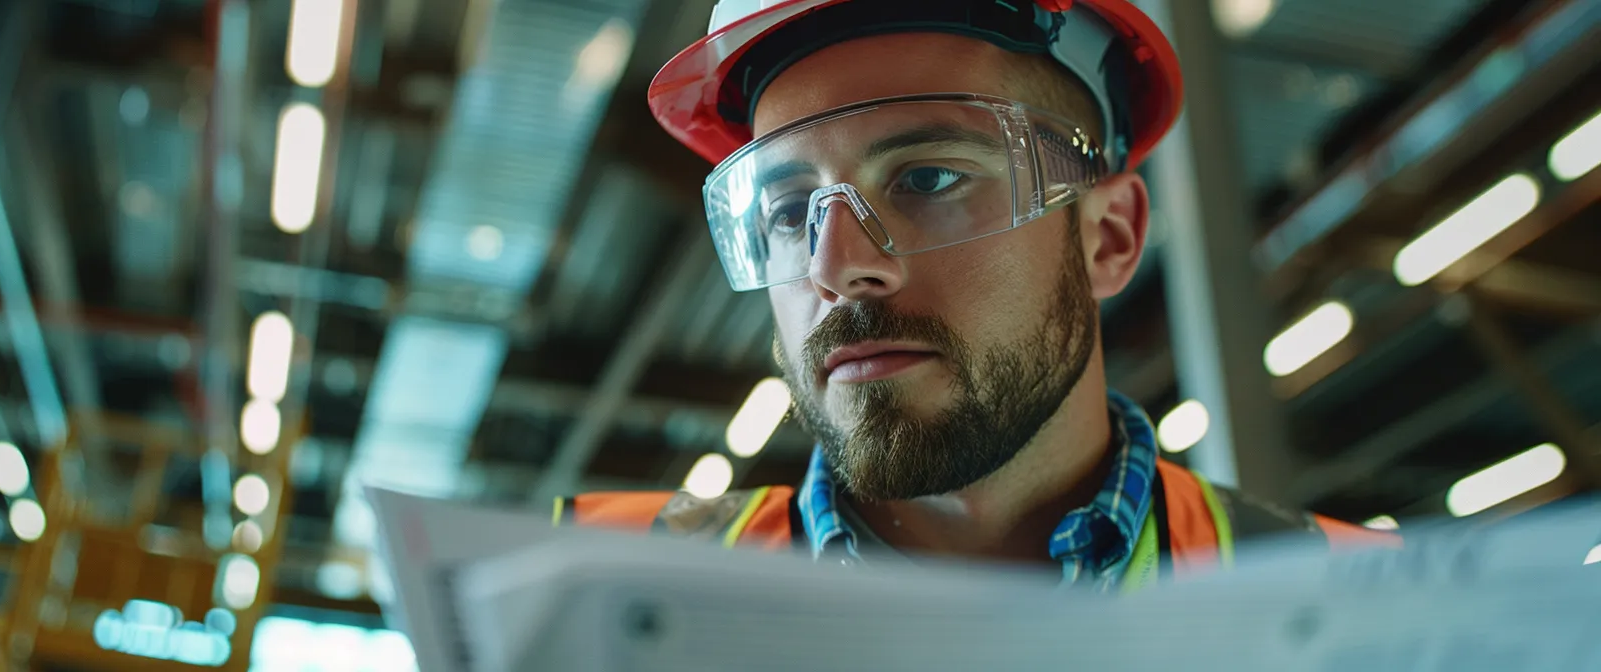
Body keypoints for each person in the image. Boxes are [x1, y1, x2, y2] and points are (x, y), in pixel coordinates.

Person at [553, 0, 1396, 591]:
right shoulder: (573, 591)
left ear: (1109, 238)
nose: (836, 268)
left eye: (927, 177)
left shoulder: (1378, 615)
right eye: (786, 212)